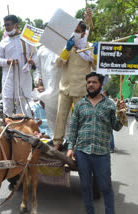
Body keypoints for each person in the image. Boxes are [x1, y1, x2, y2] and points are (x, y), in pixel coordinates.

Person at [66, 72, 127, 214]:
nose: (91, 85)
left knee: (105, 187)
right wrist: (70, 148)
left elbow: (116, 127)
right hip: (82, 152)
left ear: (100, 85)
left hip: (102, 153)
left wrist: (122, 112)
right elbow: (73, 128)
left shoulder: (110, 105)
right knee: (86, 187)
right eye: (88, 82)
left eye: (94, 82)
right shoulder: (80, 105)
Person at [53, 11, 97, 149]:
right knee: (60, 117)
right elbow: (58, 63)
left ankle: (76, 145)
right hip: (65, 88)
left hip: (81, 91)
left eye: (78, 31)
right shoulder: (67, 45)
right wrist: (66, 49)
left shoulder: (88, 47)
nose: (75, 33)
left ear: (84, 33)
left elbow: (95, 66)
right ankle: (57, 143)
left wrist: (95, 53)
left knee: (79, 121)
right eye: (73, 30)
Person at [0, 14, 37, 117]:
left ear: (16, 25)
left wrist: (32, 61)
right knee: (7, 107)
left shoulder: (26, 39)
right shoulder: (3, 42)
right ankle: (8, 130)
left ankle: (23, 130)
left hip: (23, 78)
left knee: (24, 107)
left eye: (8, 25)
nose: (7, 27)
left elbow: (35, 54)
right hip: (8, 78)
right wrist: (7, 61)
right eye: (5, 25)